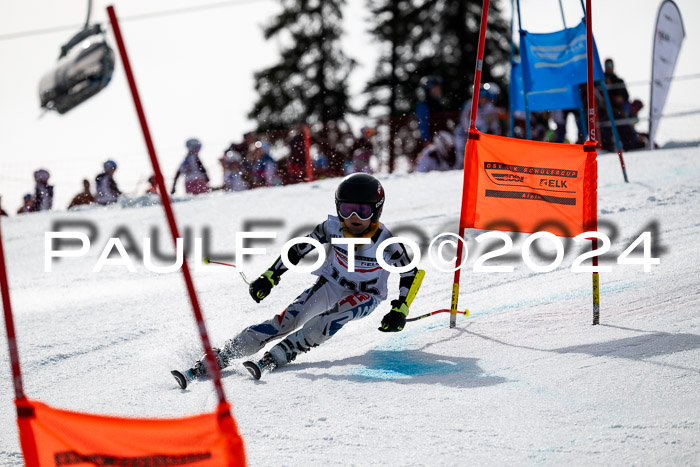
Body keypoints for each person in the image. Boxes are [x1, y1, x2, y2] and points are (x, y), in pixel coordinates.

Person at [171, 173, 421, 387]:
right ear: (338, 208)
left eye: (363, 210)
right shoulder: (331, 228)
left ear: (376, 209)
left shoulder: (386, 243)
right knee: (288, 319)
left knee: (331, 318)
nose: (354, 216)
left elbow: (411, 272)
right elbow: (299, 248)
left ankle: (284, 352)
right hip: (332, 284)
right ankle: (225, 354)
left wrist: (400, 308)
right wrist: (271, 276)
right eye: (347, 209)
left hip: (367, 295)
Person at [454, 82, 503, 168]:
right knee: (462, 155)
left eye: (484, 97)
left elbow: (493, 123)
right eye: (480, 97)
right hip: (464, 134)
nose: (482, 99)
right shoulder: (470, 105)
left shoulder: (489, 107)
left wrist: (496, 135)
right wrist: (469, 131)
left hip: (479, 135)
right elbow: (463, 119)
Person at [415, 75, 450, 144]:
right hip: (433, 142)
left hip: (442, 139)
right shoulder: (424, 105)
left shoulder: (438, 104)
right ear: (429, 89)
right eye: (436, 88)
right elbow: (423, 124)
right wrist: (427, 140)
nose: (439, 90)